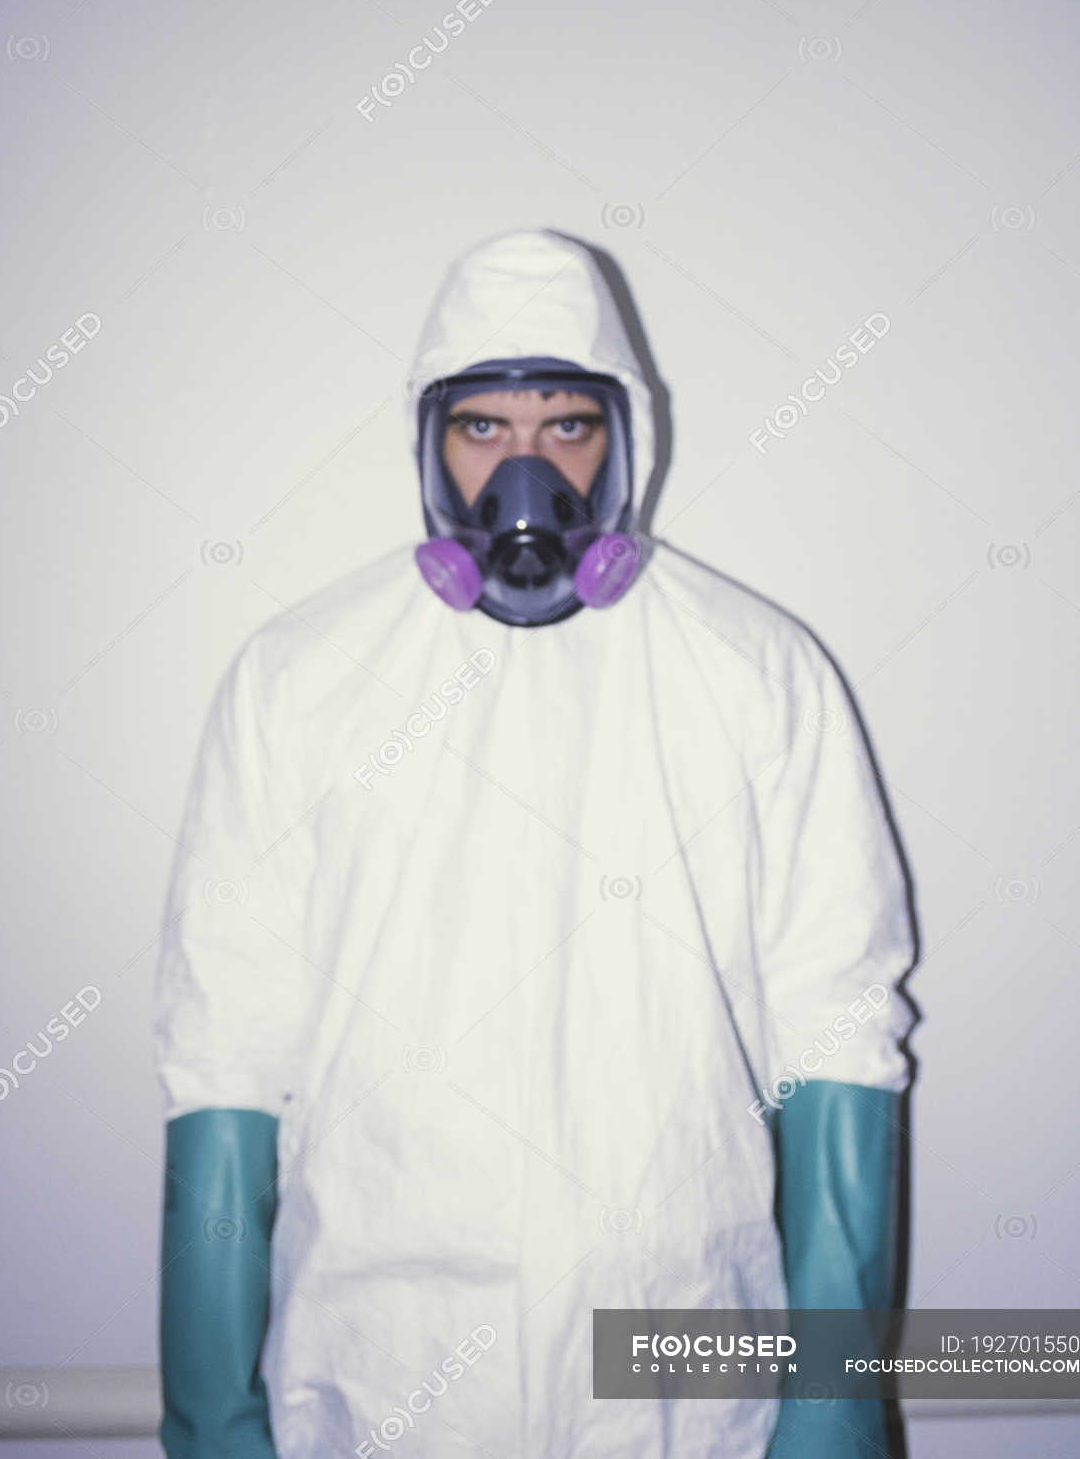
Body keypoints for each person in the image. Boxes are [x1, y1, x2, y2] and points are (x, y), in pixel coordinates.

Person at [153, 227, 918, 1459]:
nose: (527, 474)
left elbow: (838, 1035)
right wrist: (210, 1417)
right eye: (482, 428)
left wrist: (827, 1408)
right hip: (378, 1374)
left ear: (628, 437)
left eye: (567, 426)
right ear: (426, 441)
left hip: (683, 1374)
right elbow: (221, 1063)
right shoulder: (299, 680)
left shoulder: (757, 672)